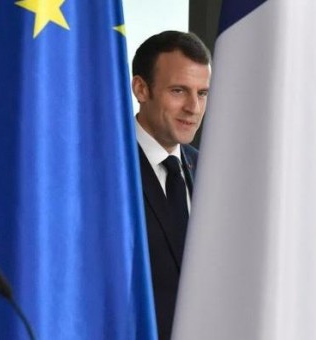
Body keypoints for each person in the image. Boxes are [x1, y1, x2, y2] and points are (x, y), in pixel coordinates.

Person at [131, 31, 211, 340]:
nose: (193, 107)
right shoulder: (105, 170)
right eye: (179, 91)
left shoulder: (211, 172)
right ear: (141, 88)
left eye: (202, 93)